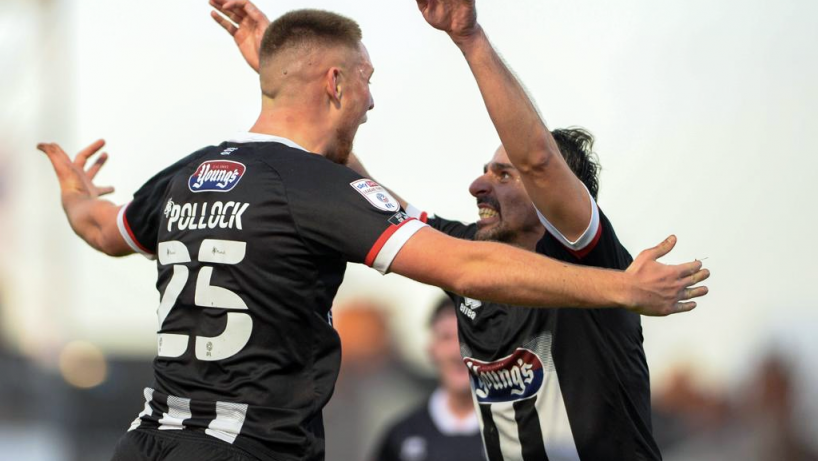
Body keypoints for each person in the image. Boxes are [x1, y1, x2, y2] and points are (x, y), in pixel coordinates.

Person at [37, 5, 709, 461]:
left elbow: (101, 226)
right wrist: (286, 85)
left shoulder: (584, 250)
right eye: (362, 82)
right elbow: (356, 203)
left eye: (501, 174)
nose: (480, 183)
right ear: (335, 83)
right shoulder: (462, 250)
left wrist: (289, 78)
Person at [372, 298, 484, 461]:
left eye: (468, 337)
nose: (457, 352)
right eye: (446, 337)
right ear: (431, 349)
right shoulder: (401, 436)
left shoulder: (514, 433)